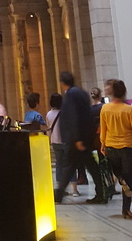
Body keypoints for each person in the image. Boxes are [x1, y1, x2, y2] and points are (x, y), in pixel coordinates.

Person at [54, 71, 105, 205]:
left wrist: (77, 139)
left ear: (62, 83)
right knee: (82, 166)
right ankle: (101, 192)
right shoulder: (80, 92)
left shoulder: (72, 94)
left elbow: (73, 117)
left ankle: (59, 194)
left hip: (77, 139)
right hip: (83, 137)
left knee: (73, 166)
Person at [100, 78, 132, 219]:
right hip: (127, 147)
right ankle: (126, 210)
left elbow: (103, 129)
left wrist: (102, 144)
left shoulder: (105, 108)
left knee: (119, 174)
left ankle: (121, 180)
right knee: (129, 177)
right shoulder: (128, 110)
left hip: (110, 146)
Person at [46, 93, 80, 197]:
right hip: (66, 141)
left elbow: (48, 128)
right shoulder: (66, 113)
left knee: (59, 165)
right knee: (70, 165)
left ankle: (60, 189)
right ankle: (75, 189)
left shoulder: (49, 114)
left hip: (55, 141)